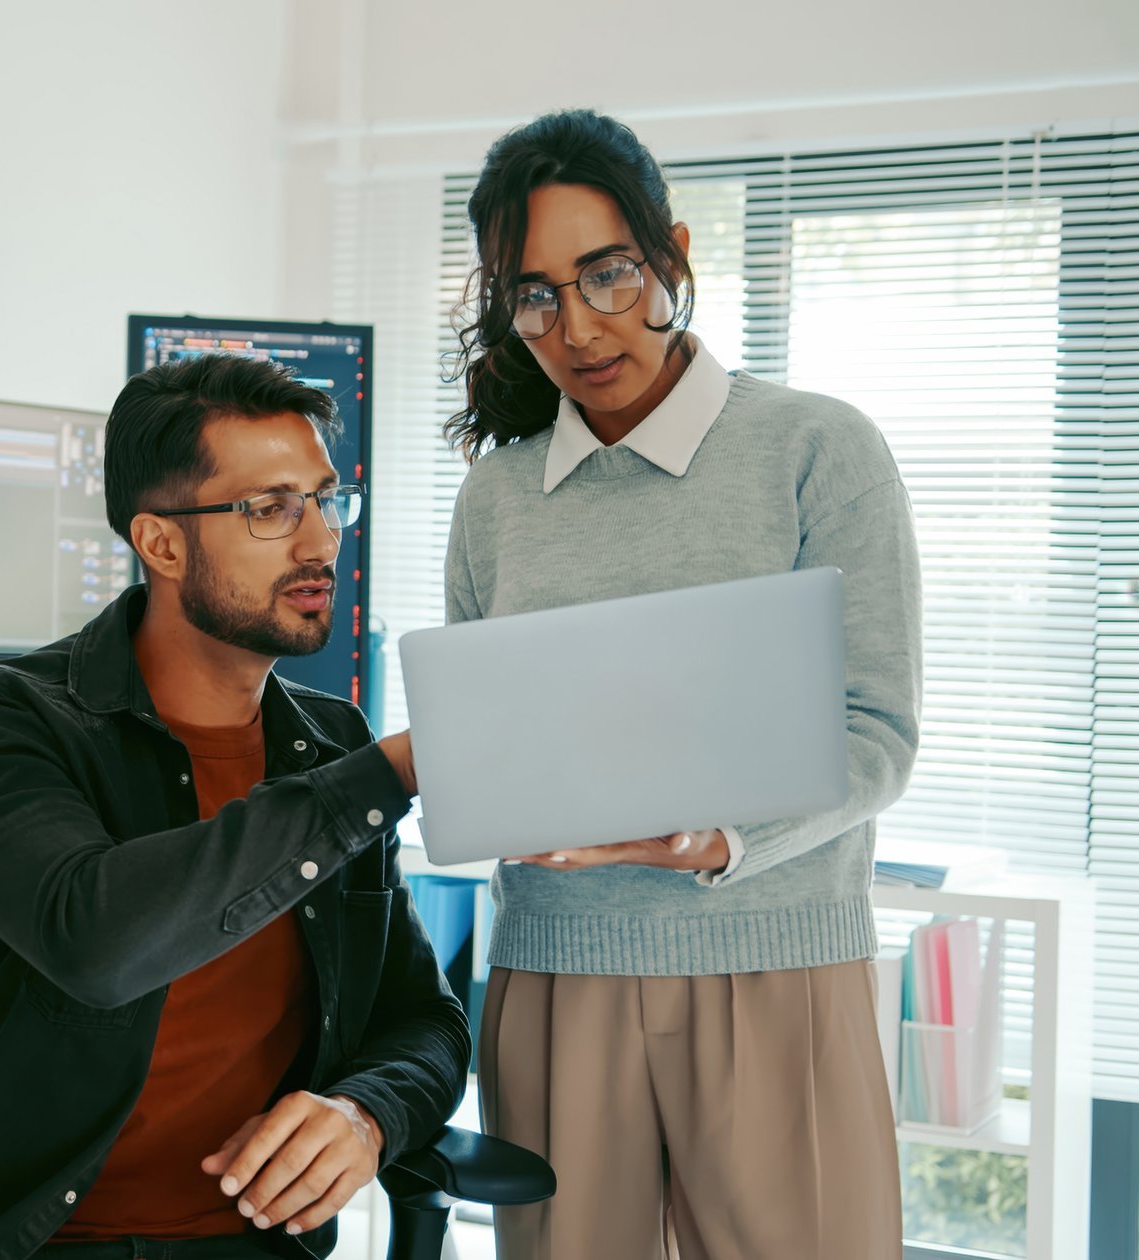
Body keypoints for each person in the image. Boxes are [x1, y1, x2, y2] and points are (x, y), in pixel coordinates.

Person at [0, 354, 468, 1259]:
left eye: (326, 499)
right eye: (269, 508)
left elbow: (426, 1020)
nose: (320, 540)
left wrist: (368, 1113)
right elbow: (98, 940)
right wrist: (383, 778)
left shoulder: (329, 746)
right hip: (24, 1242)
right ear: (162, 545)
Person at [444, 108, 923, 1258]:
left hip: (773, 970)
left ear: (672, 257)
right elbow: (485, 729)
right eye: (534, 293)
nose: (575, 325)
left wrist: (710, 838)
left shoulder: (815, 448)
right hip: (555, 973)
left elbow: (875, 735)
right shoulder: (497, 496)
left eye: (606, 274)